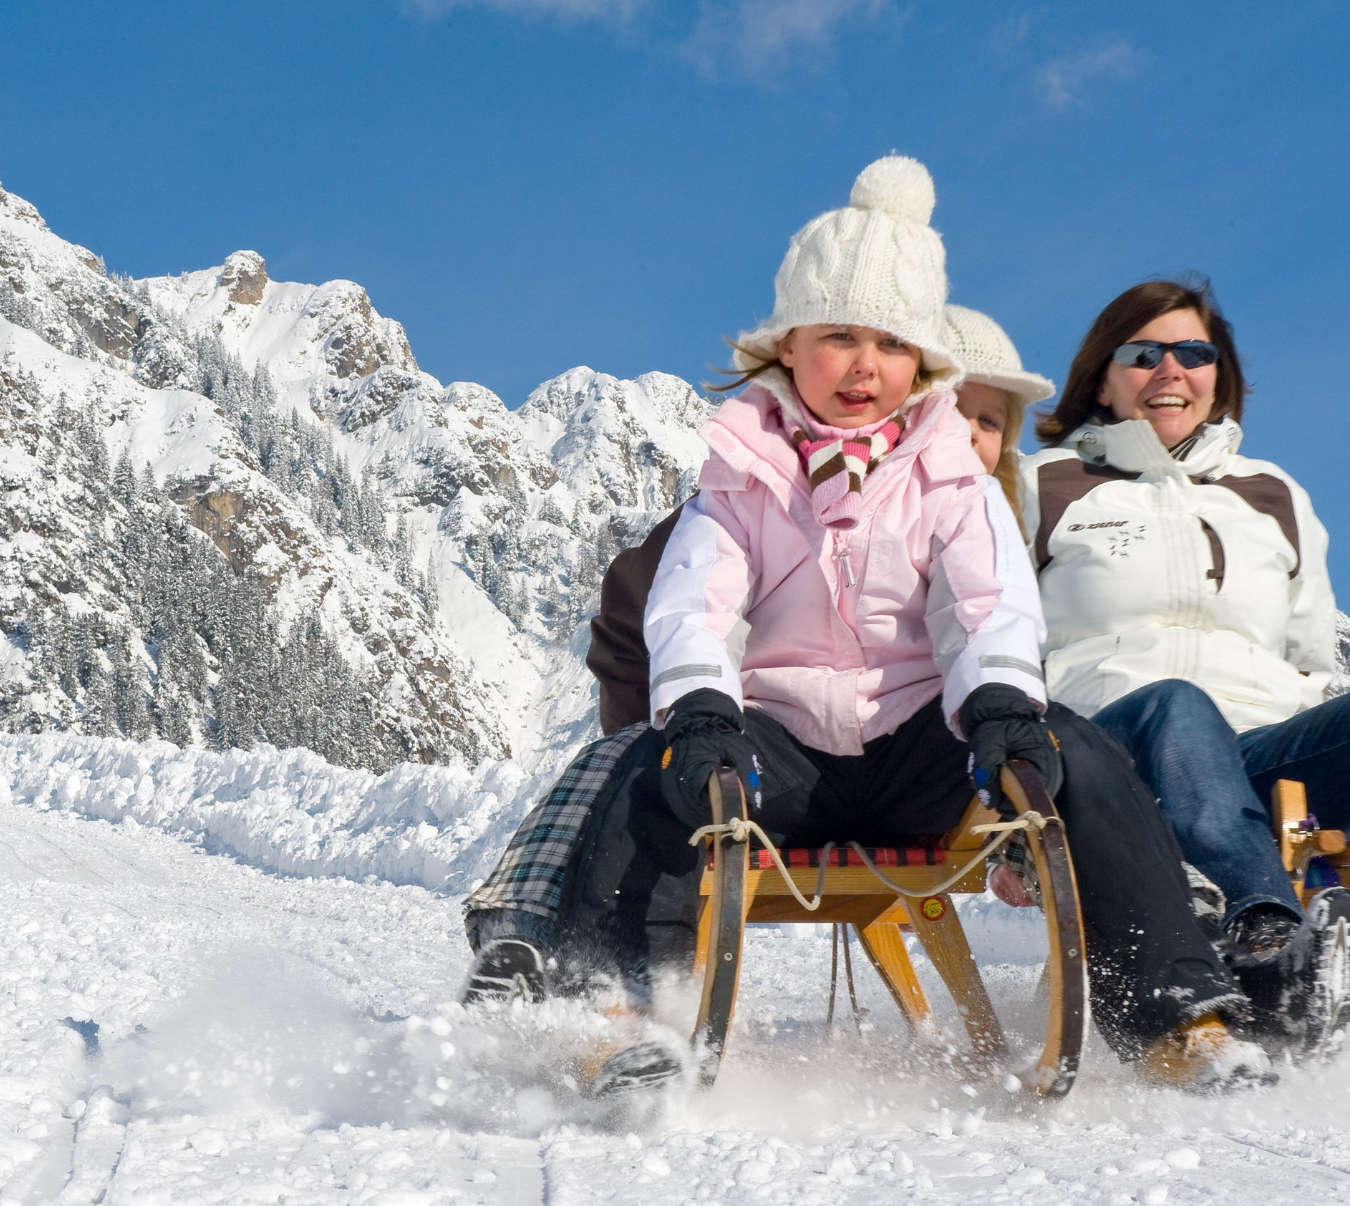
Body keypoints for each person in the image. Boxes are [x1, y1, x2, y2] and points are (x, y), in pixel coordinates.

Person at [463, 162, 1270, 1090]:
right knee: (655, 773)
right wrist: (699, 716)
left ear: (921, 361)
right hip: (781, 753)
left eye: (889, 342)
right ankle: (617, 1014)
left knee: (1078, 749)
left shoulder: (950, 475)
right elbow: (694, 606)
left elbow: (984, 603)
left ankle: (1180, 1021)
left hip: (921, 746)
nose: (863, 365)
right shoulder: (742, 472)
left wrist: (1003, 703)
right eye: (837, 335)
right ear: (787, 345)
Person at [1022, 279, 1350, 1048]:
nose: (1170, 371)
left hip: (1258, 751)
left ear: (1218, 374)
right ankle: (1267, 940)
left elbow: (1309, 648)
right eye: (1143, 354)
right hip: (1113, 745)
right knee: (1178, 704)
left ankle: (1313, 939)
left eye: (1193, 353)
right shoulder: (1040, 484)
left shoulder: (1274, 495)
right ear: (1101, 379)